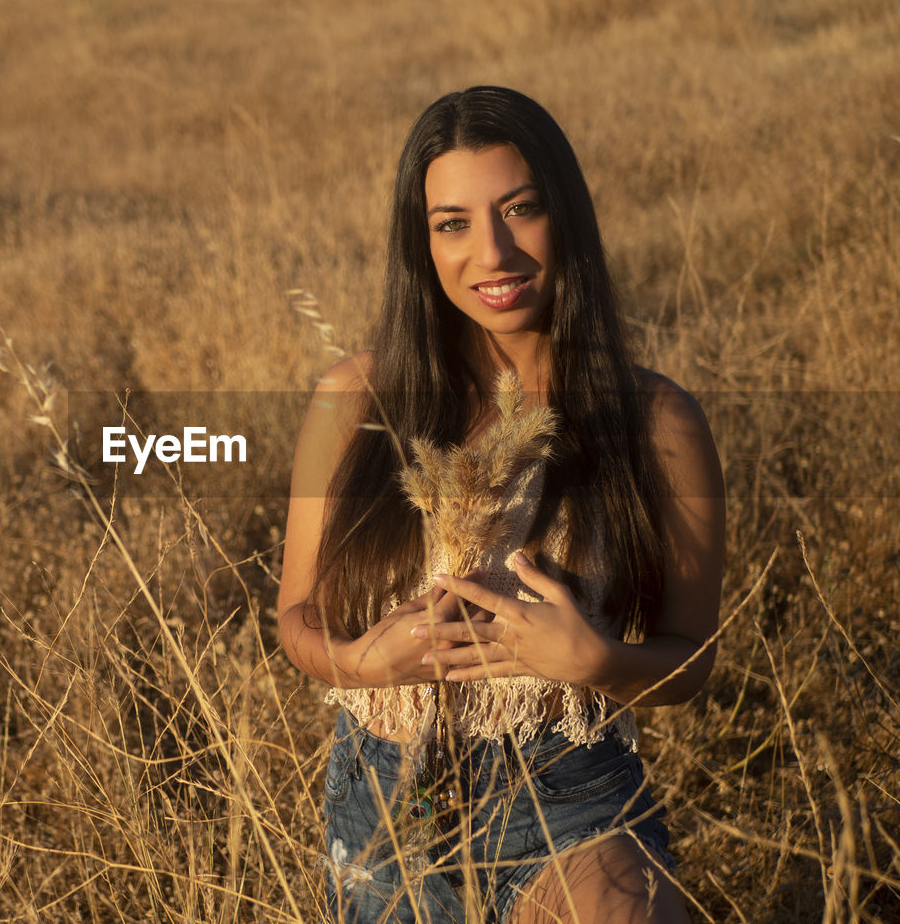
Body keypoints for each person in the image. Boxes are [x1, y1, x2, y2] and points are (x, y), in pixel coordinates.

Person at [277, 86, 725, 924]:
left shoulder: (658, 422)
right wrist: (366, 665)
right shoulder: (353, 401)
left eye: (520, 210)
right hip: (384, 802)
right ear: (422, 243)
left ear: (567, 215)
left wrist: (597, 664)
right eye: (452, 223)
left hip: (566, 796)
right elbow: (295, 617)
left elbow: (691, 659)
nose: (493, 252)